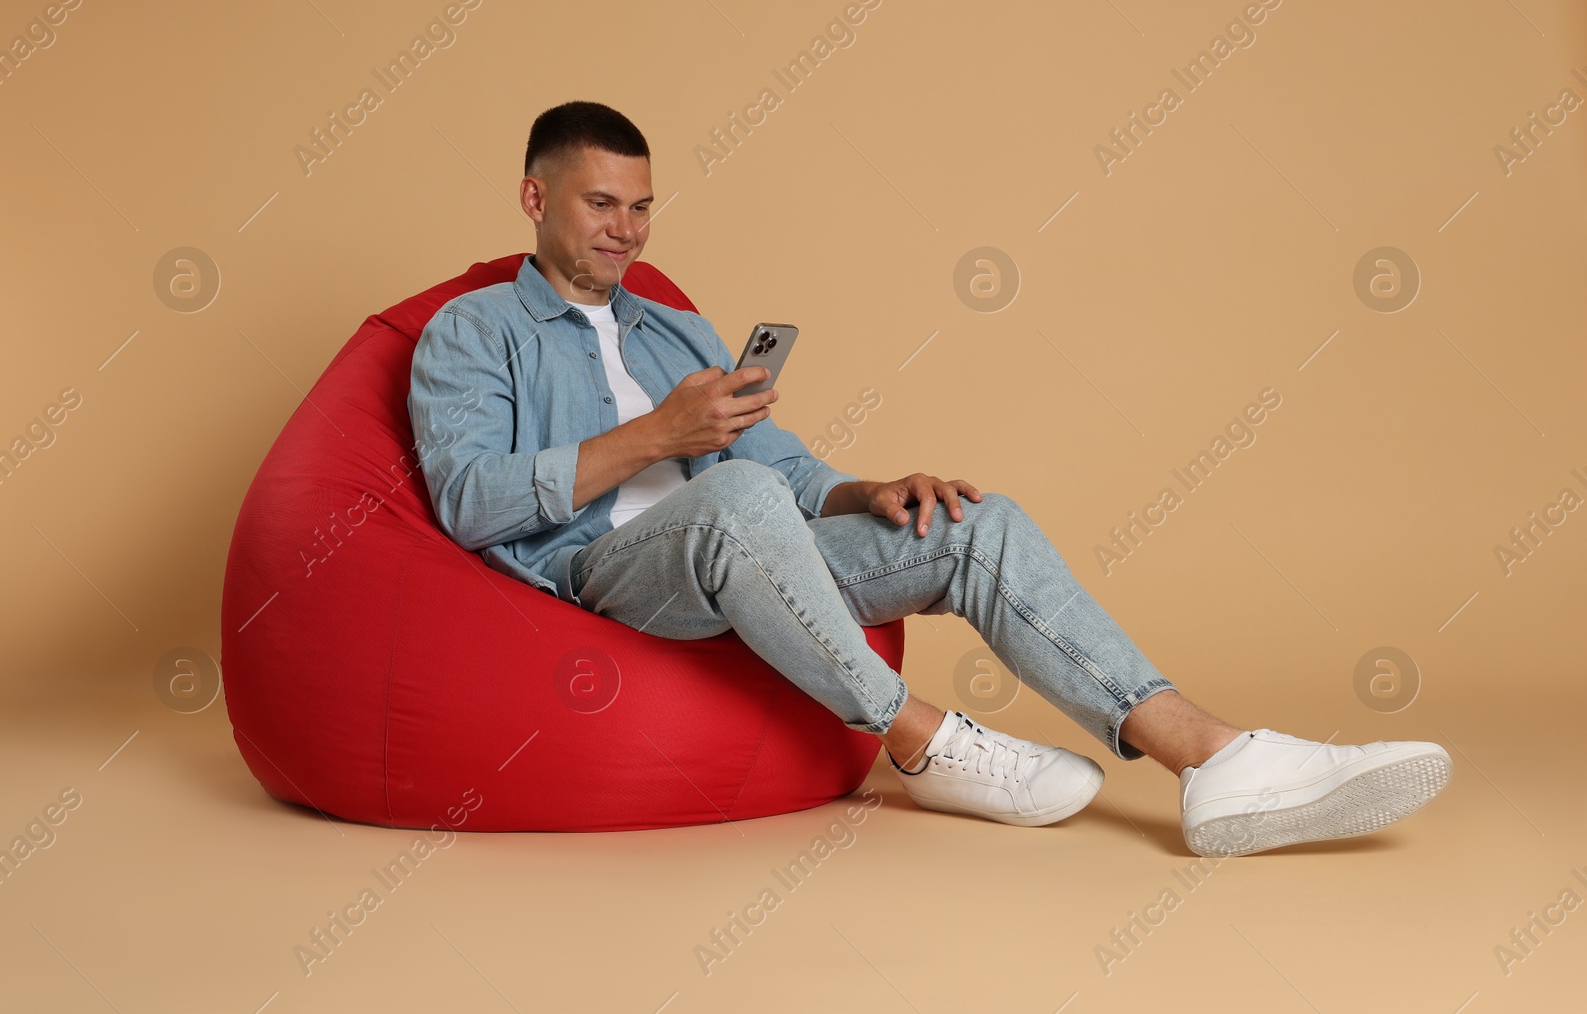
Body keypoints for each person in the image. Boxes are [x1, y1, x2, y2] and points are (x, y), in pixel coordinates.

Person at [407, 100, 1452, 856]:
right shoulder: (473, 330)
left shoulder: (671, 326)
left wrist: (871, 493)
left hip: (751, 548)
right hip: (605, 576)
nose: (626, 229)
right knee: (728, 500)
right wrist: (654, 440)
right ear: (534, 196)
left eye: (640, 206)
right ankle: (920, 739)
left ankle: (1214, 759)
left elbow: (776, 466)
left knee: (970, 521)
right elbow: (468, 500)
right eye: (600, 203)